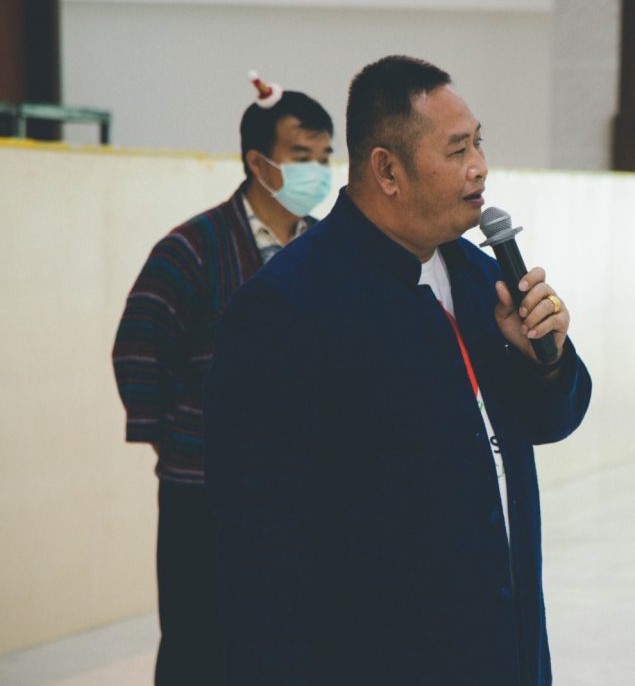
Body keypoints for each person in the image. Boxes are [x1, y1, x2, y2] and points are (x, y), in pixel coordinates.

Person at [204, 55, 592, 686]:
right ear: (387, 169)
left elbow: (549, 421)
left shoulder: (480, 275)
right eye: (457, 150)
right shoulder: (288, 307)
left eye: (479, 143)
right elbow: (261, 548)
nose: (479, 167)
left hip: (502, 650)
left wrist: (546, 363)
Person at [111, 76, 334, 685]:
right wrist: (182, 442)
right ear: (258, 162)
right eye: (301, 156)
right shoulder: (192, 247)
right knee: (197, 643)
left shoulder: (326, 249)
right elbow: (138, 349)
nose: (317, 172)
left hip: (300, 489)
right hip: (202, 492)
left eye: (324, 158)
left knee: (286, 639)